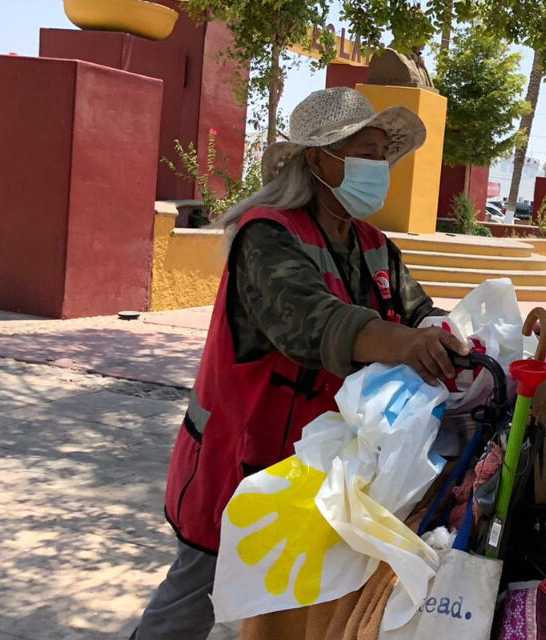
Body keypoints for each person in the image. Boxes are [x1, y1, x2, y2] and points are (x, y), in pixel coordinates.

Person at [130, 87, 469, 640]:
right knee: (196, 595)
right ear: (320, 159)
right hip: (242, 459)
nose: (379, 166)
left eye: (383, 154)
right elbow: (314, 323)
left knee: (302, 606)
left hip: (324, 465)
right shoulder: (267, 235)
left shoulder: (374, 245)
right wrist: (404, 344)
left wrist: (446, 336)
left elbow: (419, 311)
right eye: (366, 151)